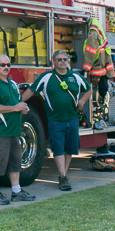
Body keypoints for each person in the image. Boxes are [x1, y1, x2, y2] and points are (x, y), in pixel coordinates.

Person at [22, 51, 92, 191]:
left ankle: (63, 175)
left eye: (64, 59)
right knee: (58, 148)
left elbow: (89, 90)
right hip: (55, 120)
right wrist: (19, 104)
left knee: (70, 148)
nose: (62, 61)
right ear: (53, 61)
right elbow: (31, 90)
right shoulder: (47, 77)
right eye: (59, 59)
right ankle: (62, 175)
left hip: (72, 119)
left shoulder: (75, 77)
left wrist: (82, 101)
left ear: (68, 61)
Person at [0, 54, 36, 205]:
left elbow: (18, 102)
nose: (6, 67)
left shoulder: (13, 84)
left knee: (15, 162)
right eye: (2, 64)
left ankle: (16, 191)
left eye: (8, 65)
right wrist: (15, 108)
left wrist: (23, 108)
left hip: (14, 131)